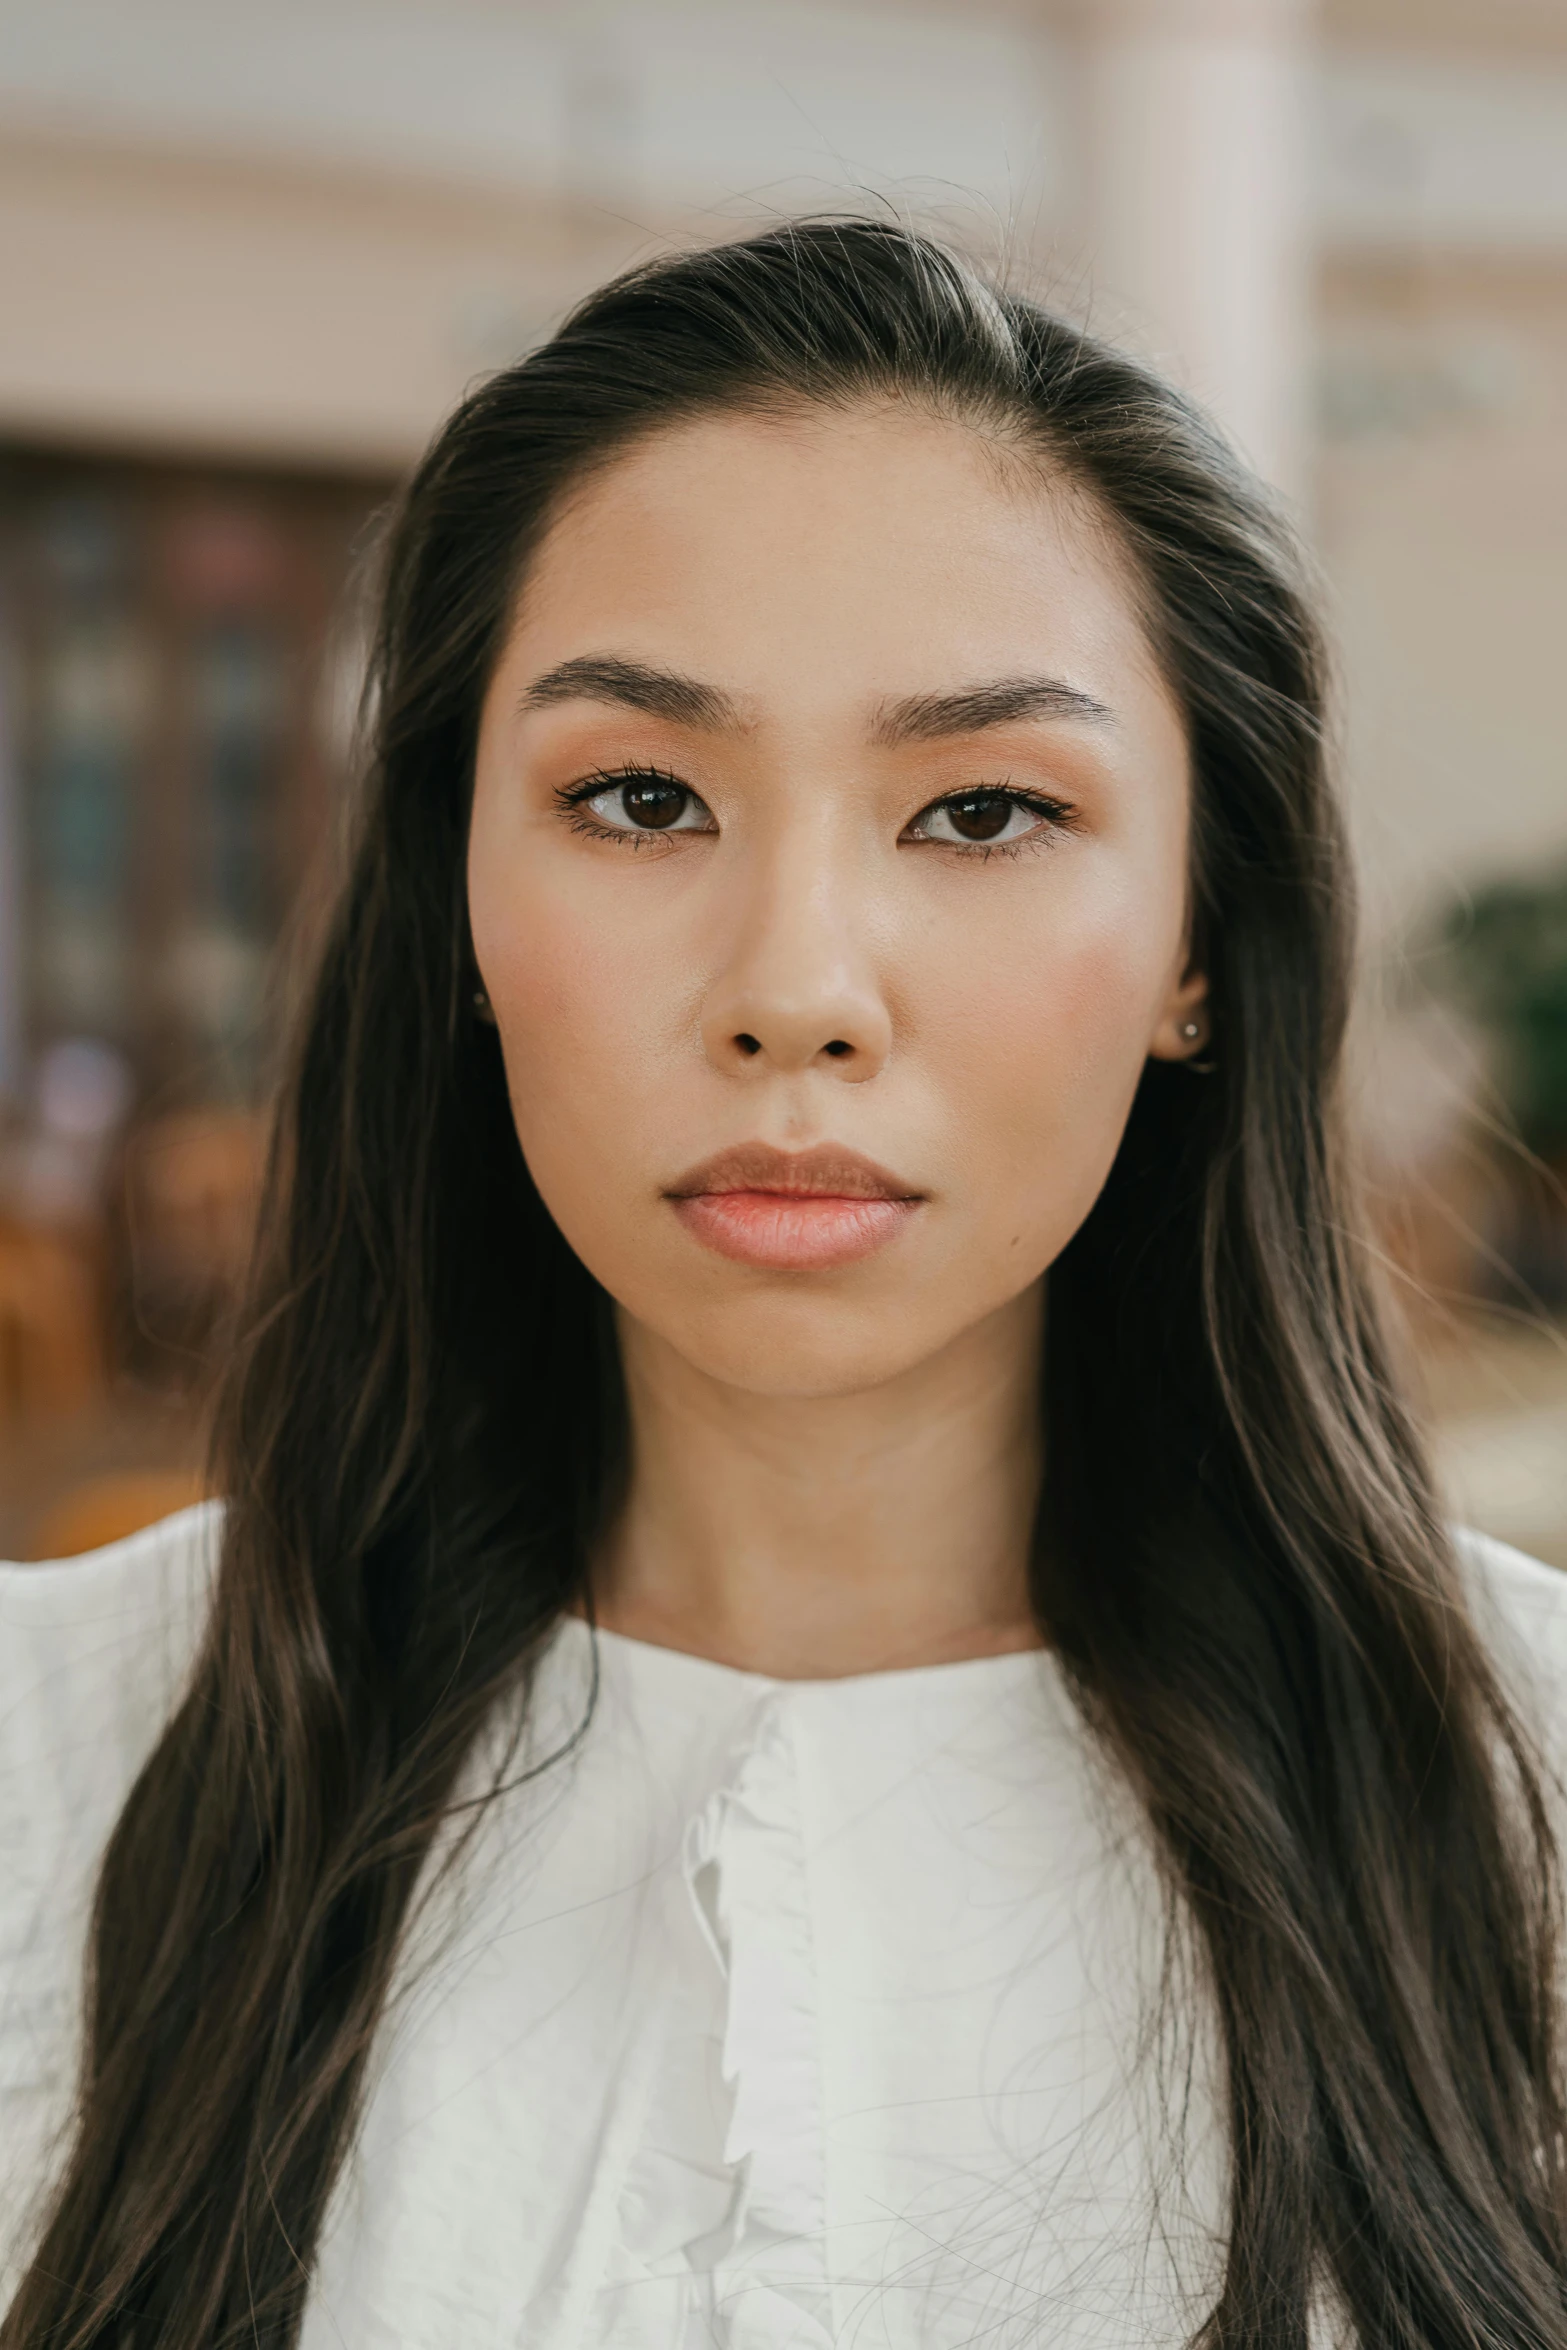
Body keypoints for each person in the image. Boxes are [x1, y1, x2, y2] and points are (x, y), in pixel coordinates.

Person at [3, 221, 1565, 2350]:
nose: (796, 991)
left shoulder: (1526, 1791)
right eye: (639, 797)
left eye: (986, 807)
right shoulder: (52, 1752)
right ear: (457, 892)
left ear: (1203, 934)